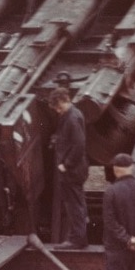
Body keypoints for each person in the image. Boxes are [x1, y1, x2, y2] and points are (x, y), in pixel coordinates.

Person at [51, 88, 88, 248]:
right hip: (75, 169)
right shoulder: (72, 115)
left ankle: (77, 240)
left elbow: (79, 144)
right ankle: (78, 237)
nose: (57, 111)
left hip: (72, 170)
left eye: (58, 107)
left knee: (74, 205)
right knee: (76, 203)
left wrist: (66, 164)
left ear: (63, 101)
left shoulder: (72, 118)